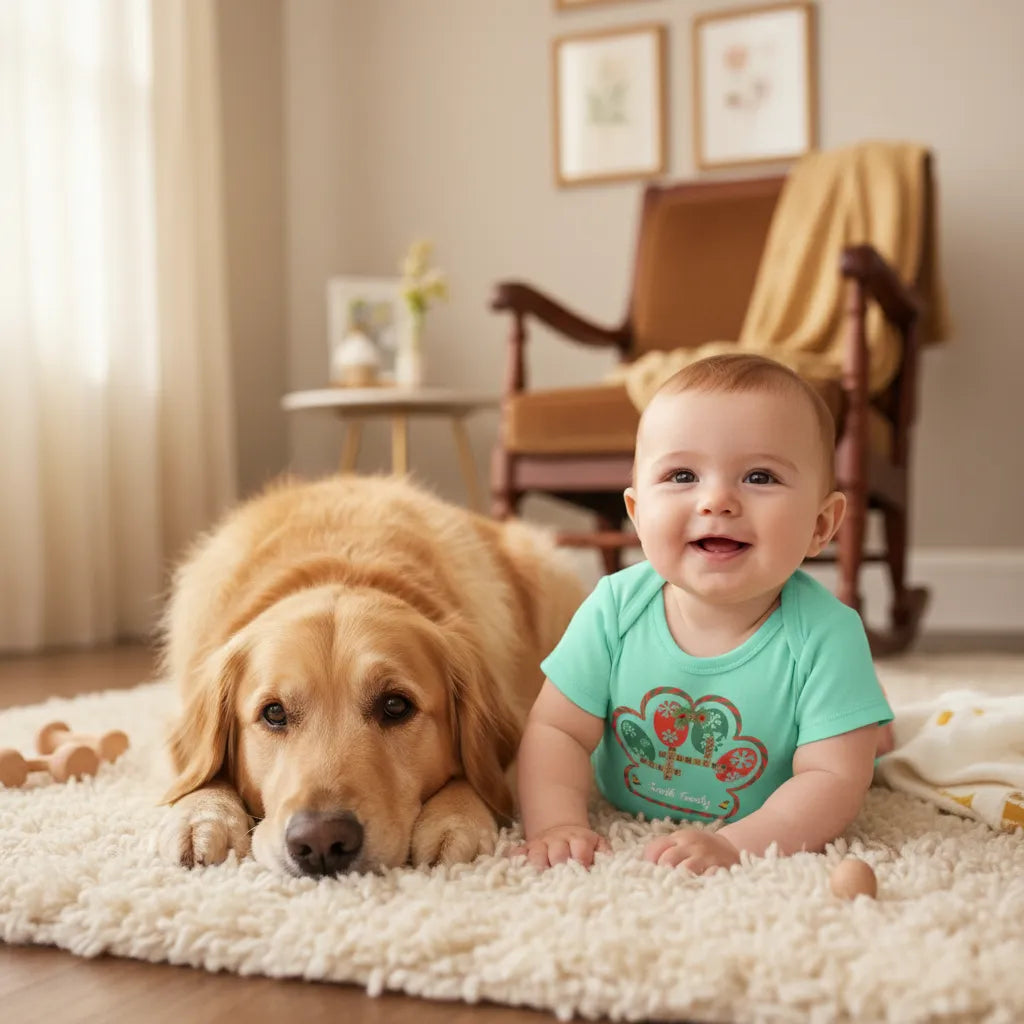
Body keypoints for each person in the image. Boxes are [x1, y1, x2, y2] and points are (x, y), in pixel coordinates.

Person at [514, 353, 894, 874]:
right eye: (683, 474)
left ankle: (861, 723)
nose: (717, 500)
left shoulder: (829, 635)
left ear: (821, 525)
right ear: (637, 513)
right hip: (621, 792)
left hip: (756, 814)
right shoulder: (613, 609)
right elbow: (557, 729)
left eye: (760, 476)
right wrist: (555, 823)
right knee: (854, 729)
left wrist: (740, 843)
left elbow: (833, 782)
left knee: (853, 753)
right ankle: (860, 719)